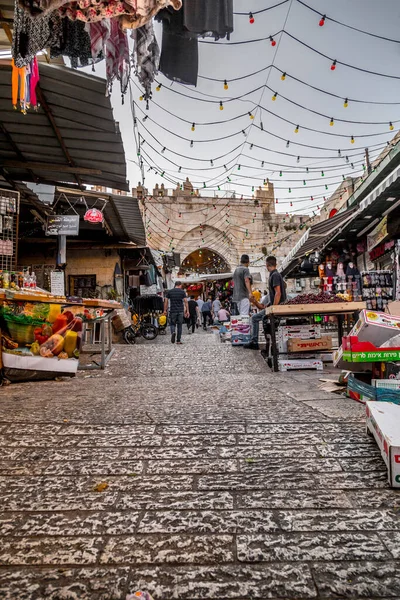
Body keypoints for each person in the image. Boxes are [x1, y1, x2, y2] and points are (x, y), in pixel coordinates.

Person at [244, 255, 286, 350]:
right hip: (275, 305)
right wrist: (257, 303)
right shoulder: (276, 274)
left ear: (267, 265)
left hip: (278, 307)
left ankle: (256, 342)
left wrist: (274, 309)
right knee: (260, 318)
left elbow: (278, 293)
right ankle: (268, 345)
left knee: (255, 318)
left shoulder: (274, 275)